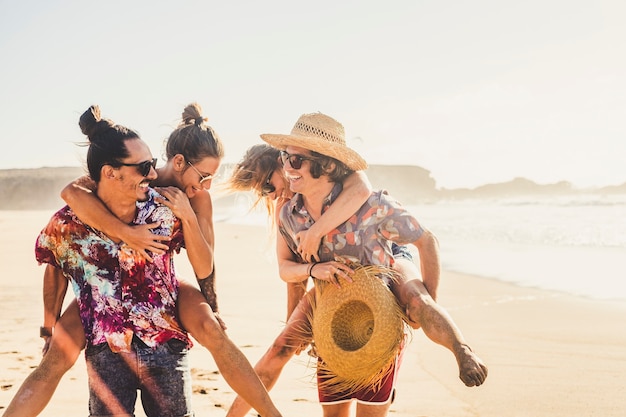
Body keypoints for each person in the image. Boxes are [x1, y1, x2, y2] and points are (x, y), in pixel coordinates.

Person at [2, 104, 283, 417]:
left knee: (212, 329)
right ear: (178, 161)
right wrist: (47, 328)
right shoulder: (84, 206)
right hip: (101, 299)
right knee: (53, 360)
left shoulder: (177, 205)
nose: (151, 172)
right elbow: (60, 249)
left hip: (159, 295)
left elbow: (206, 264)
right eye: (204, 176)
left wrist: (212, 303)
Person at [224, 137, 486, 417]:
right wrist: (301, 328)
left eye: (268, 185)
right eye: (262, 192)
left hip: (384, 253)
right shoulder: (288, 213)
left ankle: (460, 349)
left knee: (414, 298)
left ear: (285, 162)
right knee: (280, 348)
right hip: (336, 277)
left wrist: (420, 312)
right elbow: (293, 275)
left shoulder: (352, 186)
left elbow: (366, 192)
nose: (270, 194)